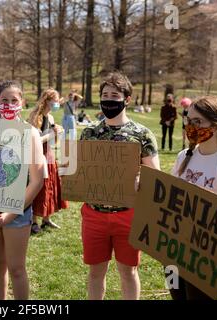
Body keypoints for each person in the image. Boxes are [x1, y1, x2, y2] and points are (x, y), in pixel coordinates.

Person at [80, 72, 161, 300]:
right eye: (104, 95)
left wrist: (138, 181)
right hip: (94, 214)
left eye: (114, 95)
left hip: (128, 215)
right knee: (96, 272)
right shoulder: (89, 133)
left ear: (126, 99)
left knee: (128, 271)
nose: (108, 100)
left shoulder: (142, 134)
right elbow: (81, 171)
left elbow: (155, 175)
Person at [170, 96, 217, 300]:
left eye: (198, 122)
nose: (191, 126)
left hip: (205, 261)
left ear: (215, 125)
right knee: (177, 297)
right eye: (189, 120)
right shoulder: (182, 157)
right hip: (172, 254)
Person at [0, 80, 45, 300]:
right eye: (4, 100)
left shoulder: (31, 133)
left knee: (16, 268)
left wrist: (11, 214)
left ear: (22, 103)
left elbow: (37, 181)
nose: (9, 104)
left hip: (18, 211)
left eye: (14, 100)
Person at [28, 88, 68, 234]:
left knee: (50, 187)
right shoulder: (35, 116)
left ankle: (46, 219)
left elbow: (52, 139)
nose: (57, 104)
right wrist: (51, 134)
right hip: (37, 155)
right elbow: (35, 140)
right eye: (55, 101)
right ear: (47, 100)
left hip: (49, 155)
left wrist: (57, 133)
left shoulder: (50, 117)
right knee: (39, 187)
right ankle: (33, 221)